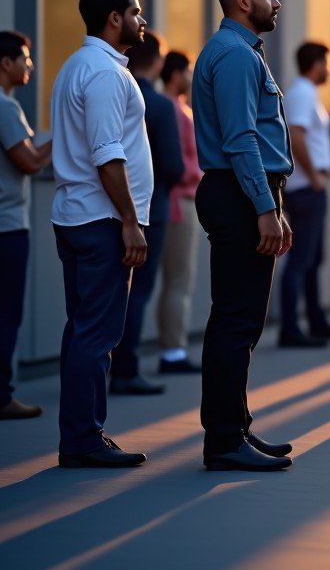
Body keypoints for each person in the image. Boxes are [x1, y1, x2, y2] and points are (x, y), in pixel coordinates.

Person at [193, 0, 294, 471]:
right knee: (236, 320)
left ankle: (237, 429)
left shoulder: (240, 51)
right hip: (238, 193)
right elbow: (241, 139)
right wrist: (264, 207)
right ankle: (225, 440)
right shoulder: (234, 56)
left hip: (247, 193)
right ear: (243, 2)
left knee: (242, 320)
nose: (276, 2)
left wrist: (274, 205)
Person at [50, 0, 151, 468]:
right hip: (102, 220)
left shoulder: (75, 65)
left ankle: (80, 437)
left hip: (75, 216)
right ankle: (85, 441)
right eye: (135, 11)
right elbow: (108, 155)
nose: (141, 18)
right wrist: (130, 222)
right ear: (115, 18)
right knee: (97, 335)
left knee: (82, 330)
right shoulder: (107, 74)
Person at [0, 31, 52, 420]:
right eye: (24, 58)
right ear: (5, 63)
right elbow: (30, 162)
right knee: (3, 315)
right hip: (4, 226)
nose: (30, 65)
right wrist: (60, 134)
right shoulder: (3, 108)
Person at [110, 32, 184, 395]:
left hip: (106, 205)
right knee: (137, 292)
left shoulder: (113, 88)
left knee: (110, 293)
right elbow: (172, 166)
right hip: (148, 208)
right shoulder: (157, 104)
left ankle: (109, 366)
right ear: (157, 61)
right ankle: (126, 369)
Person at [280, 40, 330, 346]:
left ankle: (315, 321)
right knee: (301, 258)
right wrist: (315, 177)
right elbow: (296, 136)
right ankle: (291, 329)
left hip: (310, 186)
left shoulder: (306, 93)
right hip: (306, 188)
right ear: (317, 63)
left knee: (312, 257)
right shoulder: (303, 94)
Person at [157, 50, 204, 374]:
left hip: (177, 202)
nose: (191, 75)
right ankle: (173, 351)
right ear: (175, 74)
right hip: (179, 203)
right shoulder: (175, 111)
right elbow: (182, 164)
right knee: (178, 280)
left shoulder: (179, 109)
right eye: (187, 70)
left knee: (175, 280)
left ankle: (171, 348)